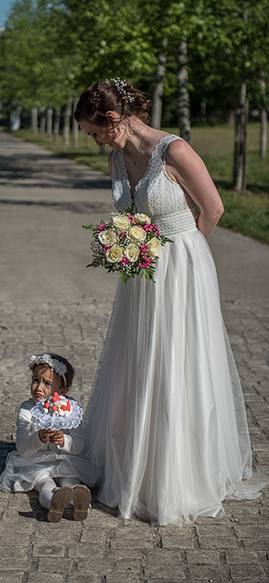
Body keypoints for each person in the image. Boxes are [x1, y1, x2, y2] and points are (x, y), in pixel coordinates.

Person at [74, 79, 268, 526]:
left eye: (94, 131)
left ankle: (181, 474)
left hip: (181, 267)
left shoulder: (174, 151)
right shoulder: (116, 160)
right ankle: (139, 465)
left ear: (112, 119)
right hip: (142, 275)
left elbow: (213, 207)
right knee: (141, 362)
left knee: (180, 362)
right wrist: (122, 242)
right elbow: (129, 215)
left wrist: (184, 253)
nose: (94, 139)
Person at [0, 353, 94, 522]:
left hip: (66, 460)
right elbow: (22, 448)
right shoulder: (27, 410)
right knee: (45, 484)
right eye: (35, 380)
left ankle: (79, 502)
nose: (38, 388)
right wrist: (38, 438)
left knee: (70, 480)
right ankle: (54, 503)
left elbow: (79, 445)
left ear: (63, 390)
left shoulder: (71, 409)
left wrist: (64, 441)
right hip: (36, 462)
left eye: (47, 383)